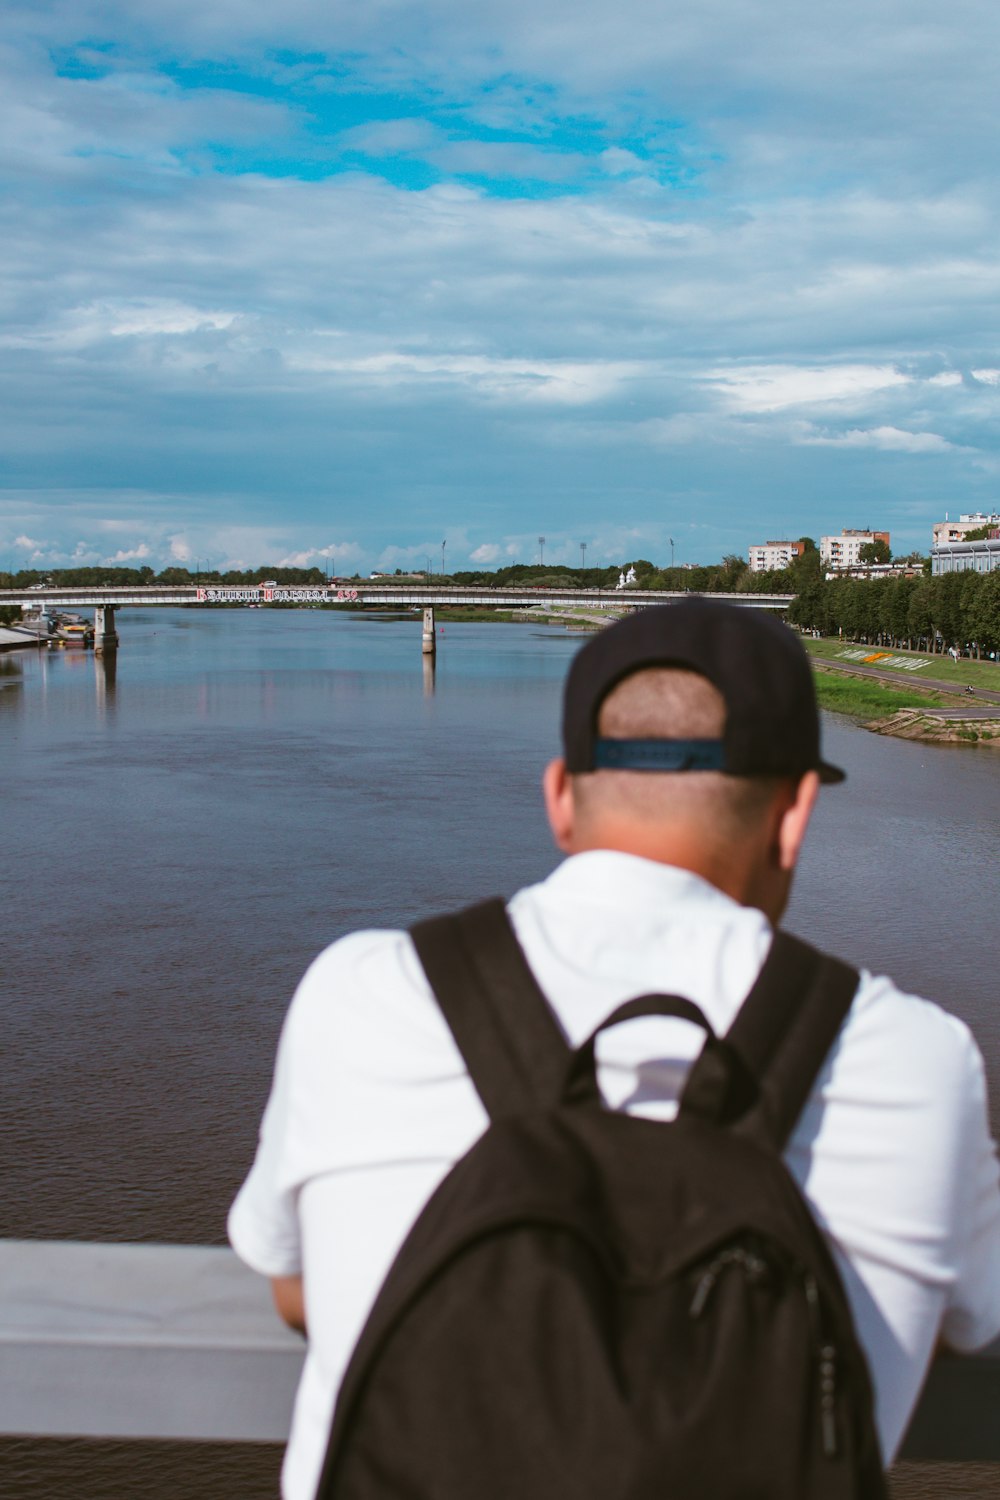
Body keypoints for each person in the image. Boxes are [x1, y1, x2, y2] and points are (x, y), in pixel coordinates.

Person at [229, 599, 1000, 1500]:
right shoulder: (915, 1057)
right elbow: (972, 1317)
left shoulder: (361, 993)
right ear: (794, 815)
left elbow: (293, 1287)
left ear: (560, 796)